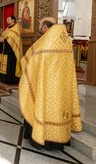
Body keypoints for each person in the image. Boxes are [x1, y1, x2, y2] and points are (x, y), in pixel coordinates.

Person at [19, 17, 82, 151]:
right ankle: (58, 141)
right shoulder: (65, 41)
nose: (39, 27)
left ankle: (40, 138)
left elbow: (31, 59)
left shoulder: (46, 41)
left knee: (42, 107)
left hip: (45, 85)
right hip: (62, 86)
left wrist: (25, 63)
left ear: (46, 27)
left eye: (40, 24)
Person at [0, 15, 22, 84]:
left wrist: (5, 40)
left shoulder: (16, 27)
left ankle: (10, 80)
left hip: (12, 51)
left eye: (8, 19)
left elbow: (15, 38)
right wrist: (0, 39)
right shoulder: (8, 28)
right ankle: (4, 79)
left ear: (13, 20)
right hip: (5, 49)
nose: (7, 21)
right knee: (5, 64)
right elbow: (3, 36)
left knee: (10, 65)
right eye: (7, 19)